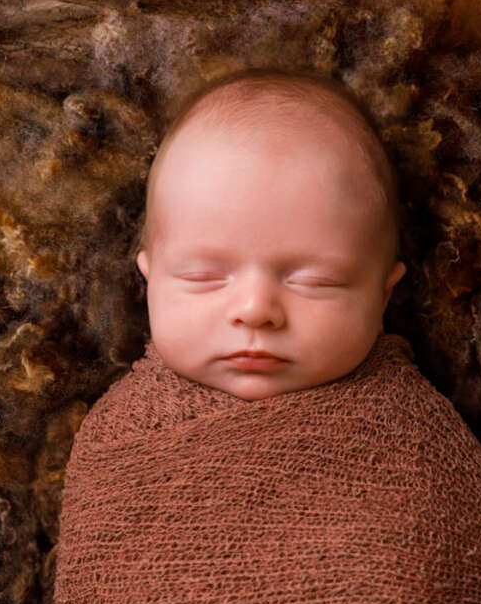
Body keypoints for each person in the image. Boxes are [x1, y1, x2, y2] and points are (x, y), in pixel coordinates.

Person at [135, 69, 407, 399]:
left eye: (315, 280)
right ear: (152, 281)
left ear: (383, 296)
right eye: (203, 276)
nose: (255, 310)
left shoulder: (413, 428)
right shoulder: (115, 428)